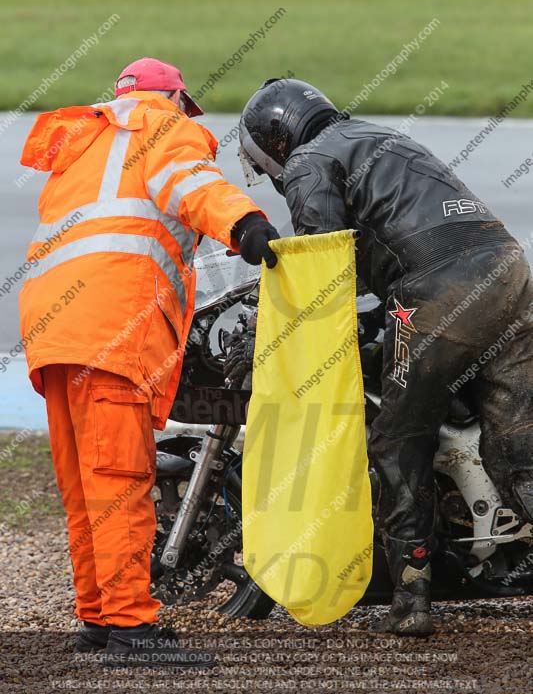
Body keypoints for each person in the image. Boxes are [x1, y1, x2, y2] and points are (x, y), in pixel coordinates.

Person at [235, 77, 533, 636]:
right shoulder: (382, 135)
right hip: (509, 272)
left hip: (435, 293)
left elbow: (320, 264)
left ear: (275, 141)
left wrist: (277, 330)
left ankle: (412, 598)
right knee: (519, 441)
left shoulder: (307, 162)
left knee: (398, 439)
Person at [18, 57, 279, 664]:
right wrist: (247, 226)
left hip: (54, 332)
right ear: (176, 99)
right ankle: (133, 630)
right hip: (112, 328)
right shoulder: (162, 127)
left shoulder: (84, 147)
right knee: (121, 483)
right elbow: (193, 186)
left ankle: (98, 618)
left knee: (85, 486)